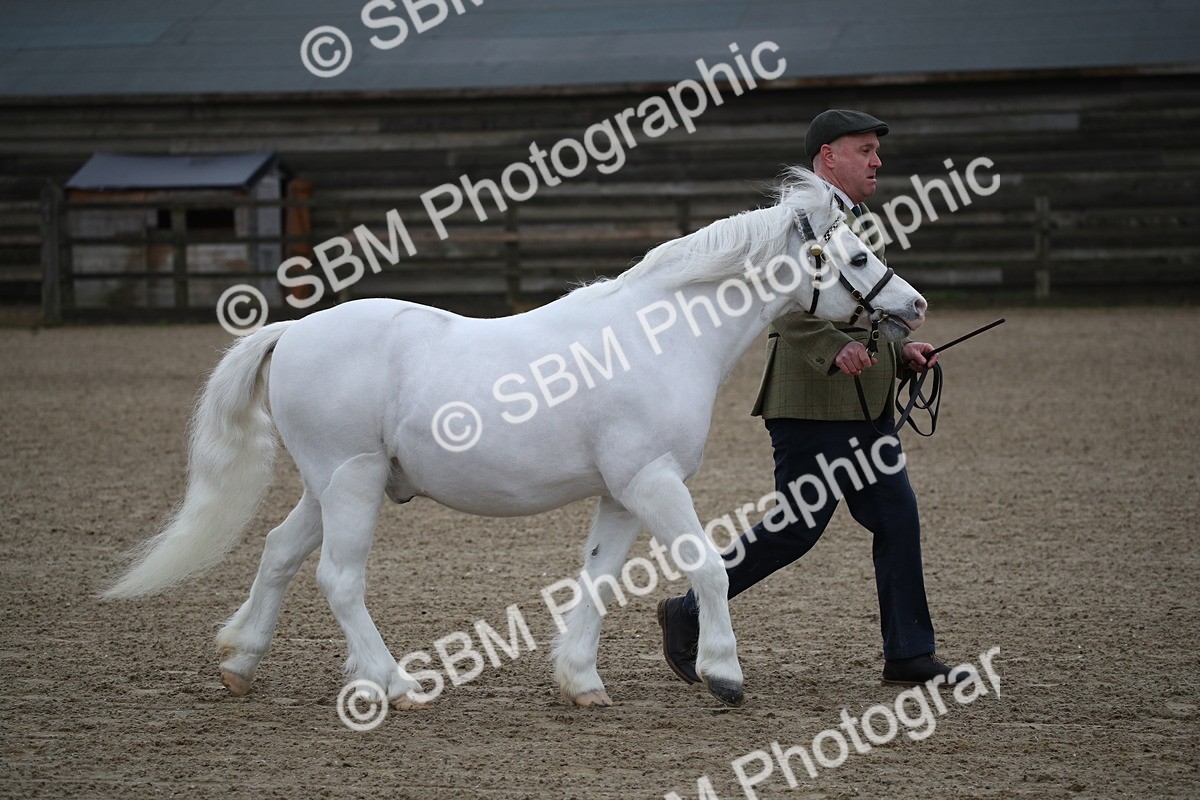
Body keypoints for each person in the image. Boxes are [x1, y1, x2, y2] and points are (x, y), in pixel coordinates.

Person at [657, 109, 972, 689]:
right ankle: (690, 612)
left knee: (897, 518)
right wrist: (832, 346)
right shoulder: (794, 221)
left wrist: (900, 354)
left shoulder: (851, 222)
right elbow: (774, 301)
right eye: (864, 150)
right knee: (794, 530)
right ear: (829, 155)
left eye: (877, 150)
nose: (877, 160)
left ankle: (908, 654)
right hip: (811, 400)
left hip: (866, 401)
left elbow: (858, 300)